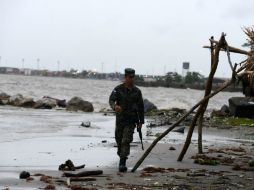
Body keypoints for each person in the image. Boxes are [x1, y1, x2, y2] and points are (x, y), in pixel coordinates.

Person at [109, 68, 144, 172]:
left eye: (133, 77)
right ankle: (121, 156)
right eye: (130, 77)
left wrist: (141, 122)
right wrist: (115, 106)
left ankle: (122, 162)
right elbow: (111, 100)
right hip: (120, 120)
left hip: (131, 120)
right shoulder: (118, 89)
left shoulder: (137, 91)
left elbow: (141, 107)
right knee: (119, 140)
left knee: (126, 140)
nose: (131, 79)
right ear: (125, 77)